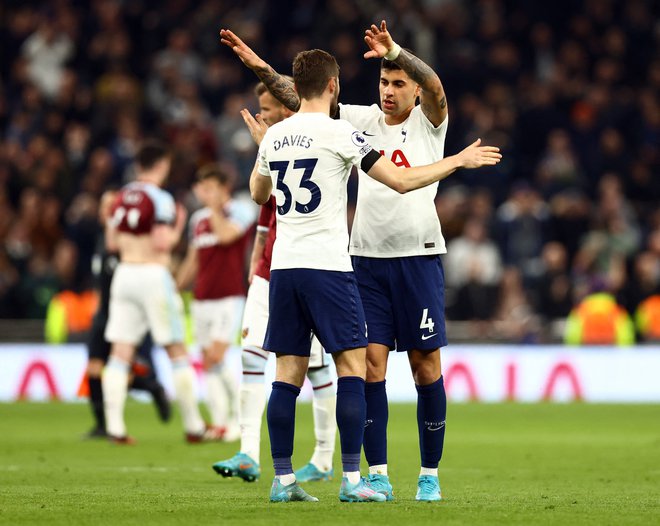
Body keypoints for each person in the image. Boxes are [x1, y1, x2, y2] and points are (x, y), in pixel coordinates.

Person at [220, 19, 474, 501]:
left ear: (416, 92)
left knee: (425, 366)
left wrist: (396, 50)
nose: (389, 90)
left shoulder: (430, 123)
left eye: (399, 82)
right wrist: (259, 66)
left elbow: (436, 85)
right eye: (383, 80)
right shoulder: (355, 123)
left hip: (417, 257)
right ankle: (372, 473)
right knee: (368, 367)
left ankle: (428, 475)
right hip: (362, 262)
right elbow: (304, 101)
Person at [212, 82, 338, 483]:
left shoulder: (312, 140)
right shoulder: (274, 147)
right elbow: (265, 214)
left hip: (310, 268)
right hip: (270, 272)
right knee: (251, 355)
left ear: (287, 109)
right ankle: (248, 451)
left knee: (316, 369)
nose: (262, 115)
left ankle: (322, 457)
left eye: (267, 108)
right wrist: (255, 261)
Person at [102, 141, 219, 444]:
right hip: (153, 274)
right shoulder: (161, 199)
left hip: (124, 273)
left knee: (120, 353)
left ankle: (115, 427)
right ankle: (193, 425)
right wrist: (179, 223)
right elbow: (162, 243)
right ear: (162, 165)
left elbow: (112, 244)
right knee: (176, 350)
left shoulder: (120, 196)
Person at [176, 163, 255, 441]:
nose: (204, 194)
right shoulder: (198, 220)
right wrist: (176, 287)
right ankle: (221, 423)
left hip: (228, 296)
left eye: (210, 189)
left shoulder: (241, 210)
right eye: (202, 189)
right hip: (201, 298)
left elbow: (225, 236)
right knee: (207, 362)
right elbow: (193, 259)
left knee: (217, 356)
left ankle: (240, 420)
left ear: (223, 190)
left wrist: (214, 209)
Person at [85, 189, 170, 439]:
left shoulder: (124, 244)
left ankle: (152, 388)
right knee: (94, 368)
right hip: (103, 313)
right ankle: (102, 425)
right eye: (103, 207)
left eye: (111, 207)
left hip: (124, 313)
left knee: (117, 368)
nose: (106, 212)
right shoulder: (102, 241)